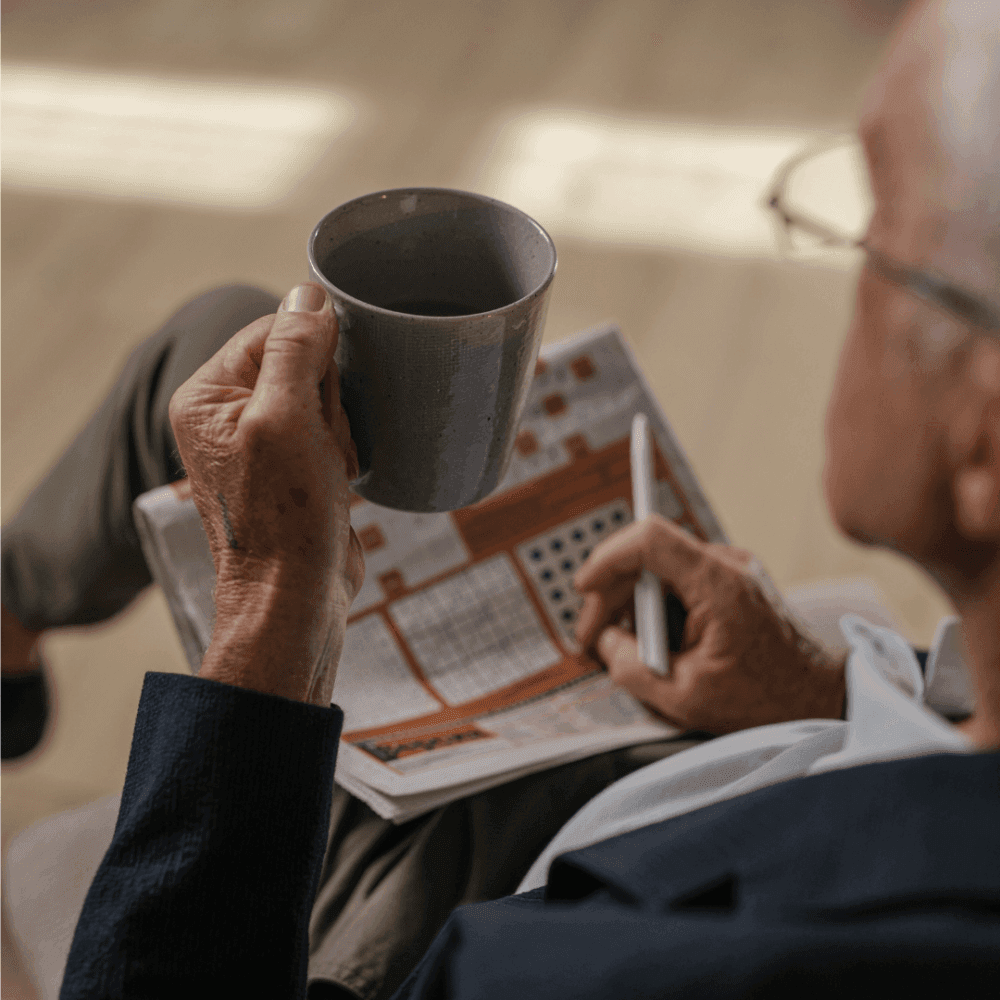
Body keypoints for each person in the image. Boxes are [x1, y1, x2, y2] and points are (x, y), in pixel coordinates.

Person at [3, 0, 998, 995]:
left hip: (487, 886)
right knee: (225, 335)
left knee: (230, 409)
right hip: (737, 756)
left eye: (877, 237)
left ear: (983, 444)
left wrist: (274, 606)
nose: (847, 265)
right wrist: (825, 691)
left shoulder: (606, 966)